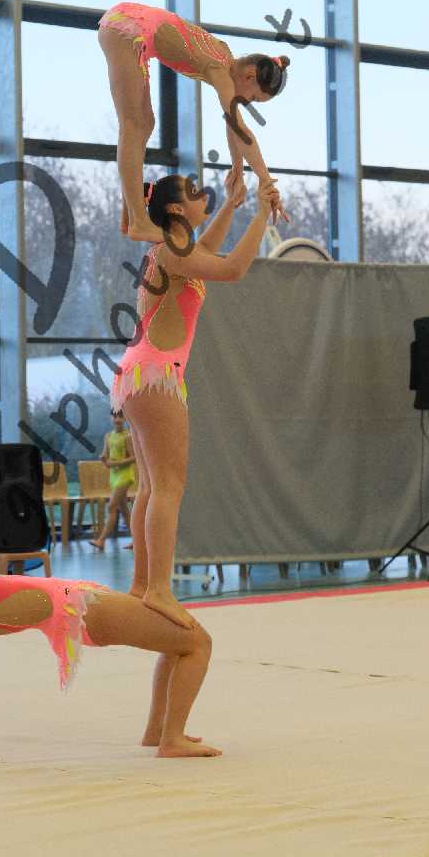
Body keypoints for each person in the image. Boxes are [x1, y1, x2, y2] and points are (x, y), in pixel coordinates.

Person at [111, 161, 278, 629]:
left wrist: (233, 205)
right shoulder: (170, 252)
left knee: (152, 486)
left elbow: (206, 250)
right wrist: (260, 214)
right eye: (193, 191)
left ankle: (142, 585)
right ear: (175, 210)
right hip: (156, 375)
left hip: (141, 372)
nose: (203, 194)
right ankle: (159, 590)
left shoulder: (175, 251)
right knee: (169, 486)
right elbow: (234, 268)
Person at [0, 559, 220, 763]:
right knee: (197, 643)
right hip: (84, 609)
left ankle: (159, 732)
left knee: (177, 644)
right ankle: (171, 740)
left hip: (78, 599)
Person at [98, 0, 291, 242]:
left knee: (145, 123)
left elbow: (232, 125)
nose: (247, 102)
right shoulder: (220, 70)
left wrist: (238, 168)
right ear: (250, 75)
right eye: (253, 97)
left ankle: (131, 208)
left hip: (131, 25)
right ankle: (139, 221)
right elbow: (240, 128)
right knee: (134, 124)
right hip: (126, 27)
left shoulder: (226, 57)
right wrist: (265, 179)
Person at [91, 412, 137, 550]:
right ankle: (137, 540)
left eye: (120, 417)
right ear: (111, 418)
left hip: (125, 476)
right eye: (115, 416)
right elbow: (105, 455)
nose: (117, 419)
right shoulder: (108, 436)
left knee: (111, 506)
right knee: (124, 510)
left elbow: (134, 457)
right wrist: (104, 459)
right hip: (114, 476)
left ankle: (101, 540)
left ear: (125, 418)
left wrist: (116, 463)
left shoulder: (128, 436)